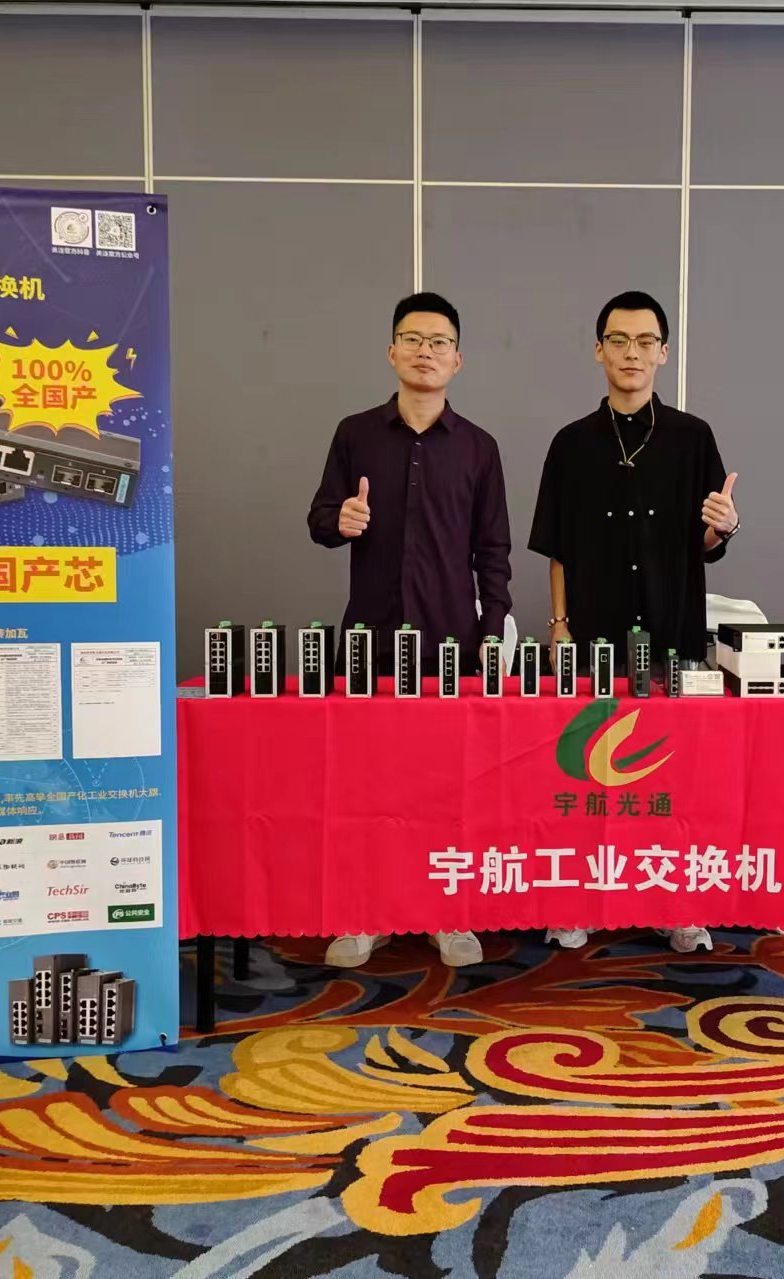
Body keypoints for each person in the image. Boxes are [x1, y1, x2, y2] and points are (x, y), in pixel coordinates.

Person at [529, 291, 741, 955]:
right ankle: (578, 902)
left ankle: (676, 905)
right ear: (599, 350)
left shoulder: (692, 437)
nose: (632, 353)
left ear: (663, 353)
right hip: (592, 633)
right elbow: (557, 546)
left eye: (646, 341)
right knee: (584, 777)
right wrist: (559, 623)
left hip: (672, 633)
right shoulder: (571, 444)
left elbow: (707, 542)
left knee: (673, 778)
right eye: (618, 340)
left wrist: (722, 527)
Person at [307, 292, 511, 970]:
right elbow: (320, 518)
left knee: (448, 785)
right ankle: (366, 913)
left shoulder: (479, 448)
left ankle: (445, 913)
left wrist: (491, 632)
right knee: (365, 784)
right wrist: (340, 521)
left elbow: (493, 550)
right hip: (370, 639)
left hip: (452, 643)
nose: (426, 351)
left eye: (439, 341)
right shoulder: (355, 434)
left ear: (458, 359)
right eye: (413, 339)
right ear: (392, 351)